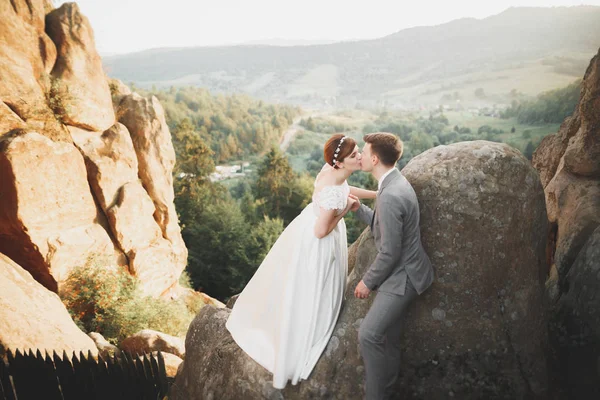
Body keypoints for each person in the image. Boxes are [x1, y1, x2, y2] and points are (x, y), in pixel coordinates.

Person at [226, 134, 377, 389]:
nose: (360, 157)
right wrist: (344, 210)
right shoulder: (331, 194)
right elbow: (321, 230)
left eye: (358, 152)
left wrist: (374, 193)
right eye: (354, 156)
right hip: (319, 239)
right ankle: (304, 333)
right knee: (313, 291)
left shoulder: (331, 169)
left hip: (309, 225)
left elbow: (345, 189)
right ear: (340, 163)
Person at [350, 132, 434, 400]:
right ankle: (387, 392)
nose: (360, 156)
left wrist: (367, 282)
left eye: (364, 152)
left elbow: (390, 251)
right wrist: (360, 210)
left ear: (374, 159)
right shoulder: (395, 182)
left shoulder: (389, 194)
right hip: (407, 271)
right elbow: (388, 226)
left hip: (403, 277)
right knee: (389, 340)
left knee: (368, 335)